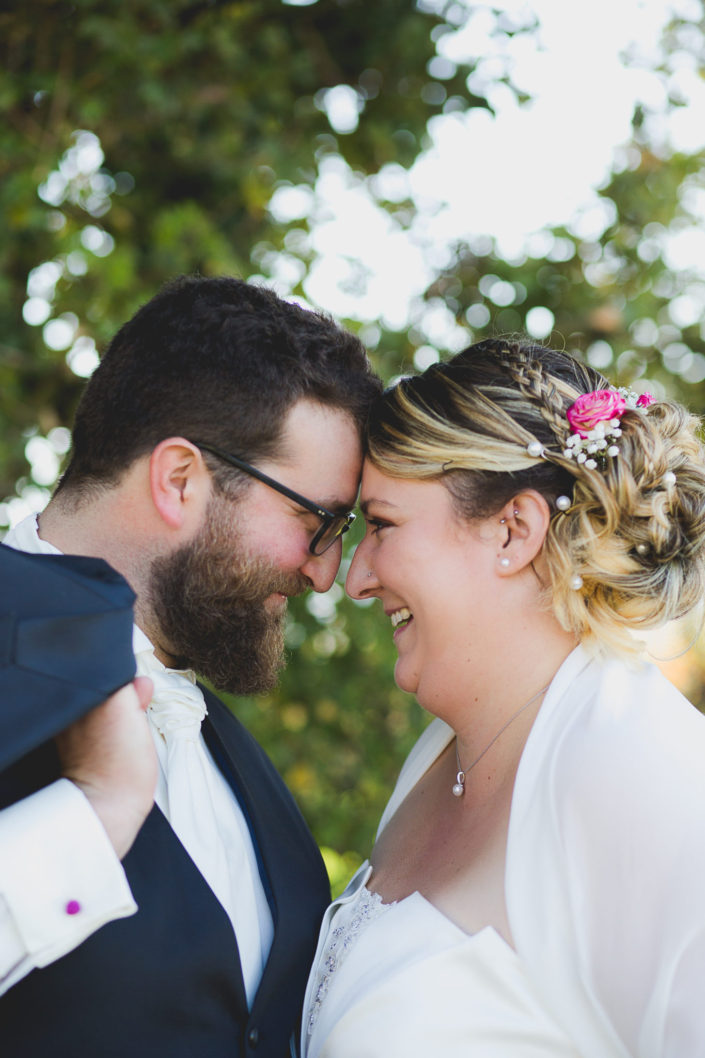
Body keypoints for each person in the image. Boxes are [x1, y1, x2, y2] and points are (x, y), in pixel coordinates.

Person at [0, 274, 381, 1058]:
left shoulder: (241, 768)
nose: (324, 573)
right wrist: (96, 813)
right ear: (179, 479)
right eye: (317, 522)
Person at [301, 337, 705, 1058]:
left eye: (383, 526)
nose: (352, 577)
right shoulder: (444, 753)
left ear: (513, 531)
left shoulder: (636, 771)